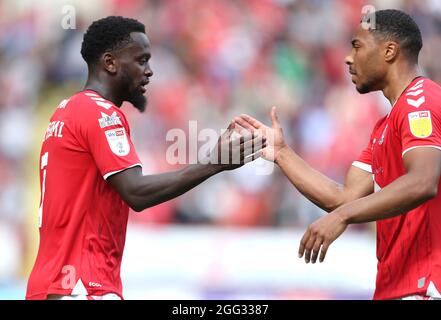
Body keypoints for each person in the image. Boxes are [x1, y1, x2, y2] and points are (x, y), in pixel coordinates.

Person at [26, 16, 264, 300]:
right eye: (141, 61)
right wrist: (214, 163)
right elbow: (135, 192)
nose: (149, 71)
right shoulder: (100, 113)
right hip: (83, 285)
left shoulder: (64, 112)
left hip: (51, 282)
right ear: (110, 63)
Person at [235, 9, 441, 300]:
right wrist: (282, 153)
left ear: (390, 51)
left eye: (357, 46)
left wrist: (342, 216)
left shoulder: (421, 101)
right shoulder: (385, 125)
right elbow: (342, 199)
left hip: (426, 287)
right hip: (397, 288)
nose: (348, 58)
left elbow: (423, 181)